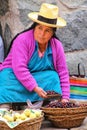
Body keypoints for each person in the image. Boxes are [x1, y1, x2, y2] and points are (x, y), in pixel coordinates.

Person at [0, 3, 70, 109]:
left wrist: (65, 98)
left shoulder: (57, 46)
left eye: (47, 30)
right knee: (5, 77)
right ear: (34, 27)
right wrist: (35, 87)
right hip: (15, 76)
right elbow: (19, 68)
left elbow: (63, 72)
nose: (42, 34)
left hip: (37, 78)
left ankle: (37, 105)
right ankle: (9, 102)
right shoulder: (22, 40)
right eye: (39, 28)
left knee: (52, 76)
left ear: (52, 33)